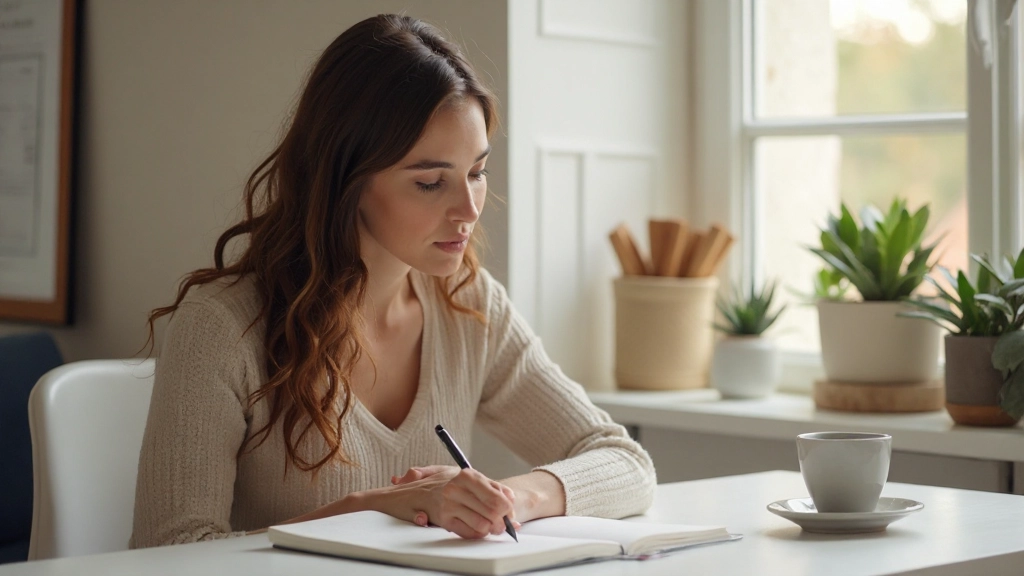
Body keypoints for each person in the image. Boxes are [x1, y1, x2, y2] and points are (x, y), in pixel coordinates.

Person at [129, 13, 656, 549]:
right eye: (430, 183)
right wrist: (369, 510)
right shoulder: (222, 327)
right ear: (346, 179)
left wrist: (508, 498)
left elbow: (624, 461)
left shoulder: (468, 307)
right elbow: (165, 550)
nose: (469, 209)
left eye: (476, 172)